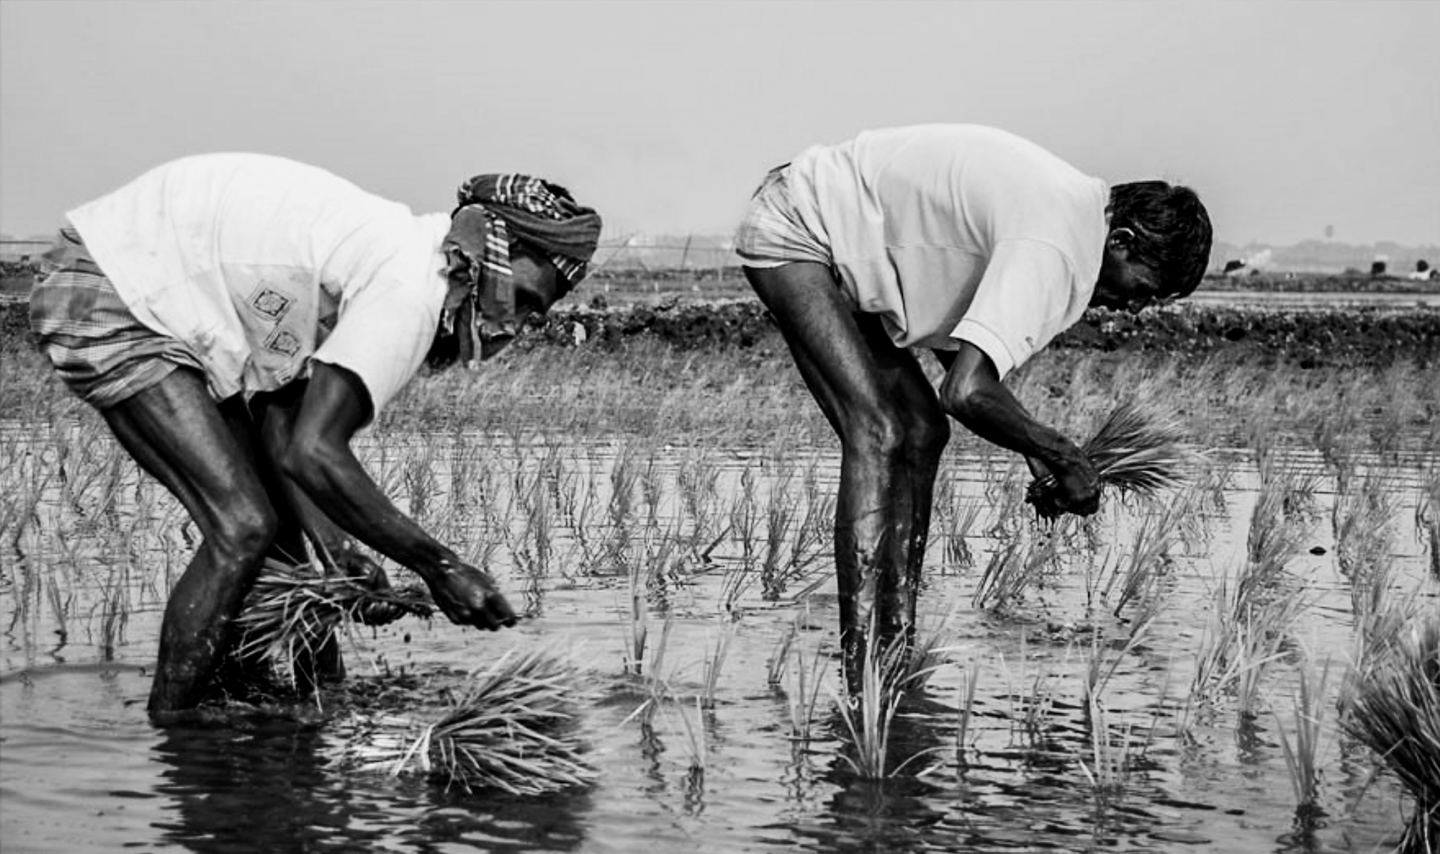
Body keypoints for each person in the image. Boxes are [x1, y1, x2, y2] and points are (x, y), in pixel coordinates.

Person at [29, 154, 602, 717]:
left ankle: (306, 698)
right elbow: (313, 452)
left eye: (533, 315)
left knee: (277, 537)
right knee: (242, 526)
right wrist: (440, 567)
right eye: (523, 301)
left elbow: (284, 430)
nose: (514, 327)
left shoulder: (394, 257)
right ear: (501, 253)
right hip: (116, 289)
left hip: (160, 290)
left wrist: (341, 552)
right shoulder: (411, 289)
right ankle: (176, 726)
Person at [733, 124, 1212, 685]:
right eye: (1146, 289)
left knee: (923, 430)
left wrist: (1034, 449)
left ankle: (897, 636)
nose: (1136, 308)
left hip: (847, 249)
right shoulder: (1057, 242)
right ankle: (860, 657)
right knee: (878, 432)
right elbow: (965, 392)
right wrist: (1066, 457)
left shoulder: (1068, 214)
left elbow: (959, 359)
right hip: (800, 226)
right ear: (1123, 239)